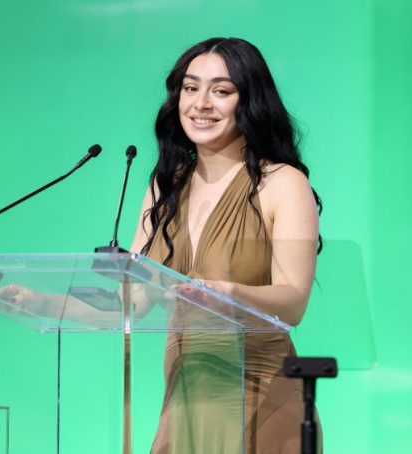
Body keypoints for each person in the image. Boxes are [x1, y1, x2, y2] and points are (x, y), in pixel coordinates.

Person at [130, 37, 322, 454]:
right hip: (186, 397)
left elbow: (293, 302)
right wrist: (37, 301)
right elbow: (133, 302)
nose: (200, 103)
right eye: (190, 87)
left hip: (260, 391)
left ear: (249, 101)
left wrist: (228, 293)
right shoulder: (166, 186)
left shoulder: (282, 182)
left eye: (221, 90)